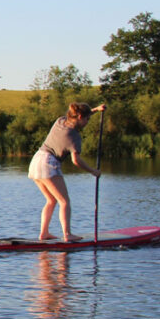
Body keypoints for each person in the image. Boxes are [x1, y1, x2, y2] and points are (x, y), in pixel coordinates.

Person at [27, 101, 105, 242]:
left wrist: (96, 110)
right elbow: (76, 161)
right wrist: (93, 171)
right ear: (80, 117)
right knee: (64, 202)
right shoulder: (74, 137)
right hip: (48, 163)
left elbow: (79, 115)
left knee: (51, 200)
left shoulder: (61, 121)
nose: (88, 122)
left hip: (36, 160)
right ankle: (67, 234)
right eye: (87, 119)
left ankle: (44, 233)